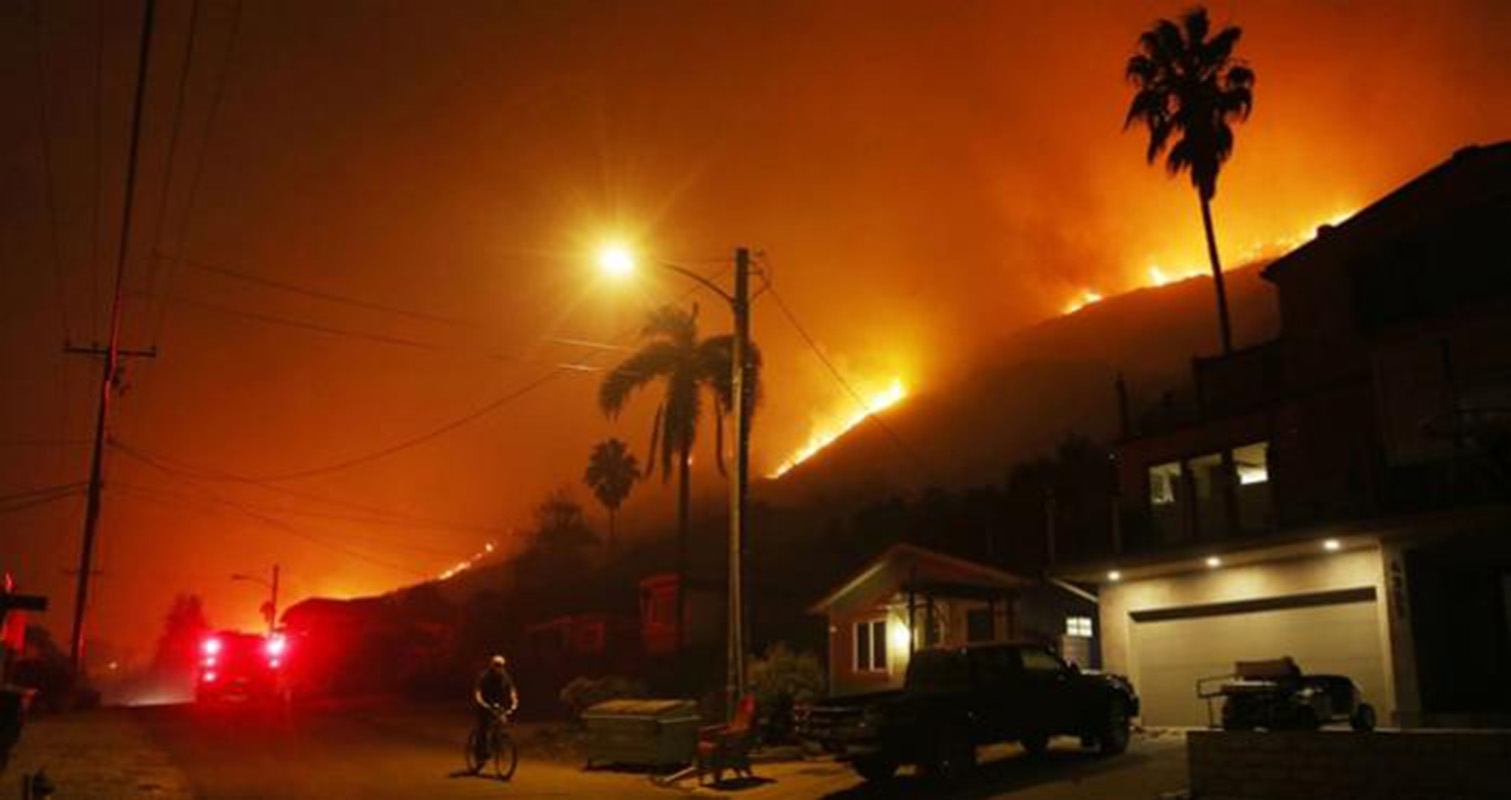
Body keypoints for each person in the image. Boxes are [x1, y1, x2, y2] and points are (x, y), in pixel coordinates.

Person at [471, 655, 518, 766]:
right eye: (496, 665)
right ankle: (480, 754)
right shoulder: (484, 677)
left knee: (500, 723)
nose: (499, 668)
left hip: (498, 705)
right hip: (484, 705)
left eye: (501, 666)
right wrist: (481, 702)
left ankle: (496, 745)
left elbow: (512, 690)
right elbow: (478, 692)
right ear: (492, 665)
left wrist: (514, 701)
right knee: (484, 728)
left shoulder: (505, 677)